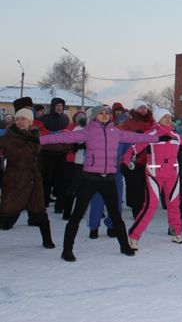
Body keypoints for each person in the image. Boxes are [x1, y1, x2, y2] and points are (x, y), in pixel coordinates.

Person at [40, 105, 159, 262]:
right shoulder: (88, 131)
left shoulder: (115, 132)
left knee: (116, 215)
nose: (104, 115)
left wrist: (157, 138)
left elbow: (136, 137)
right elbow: (63, 137)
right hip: (90, 179)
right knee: (76, 215)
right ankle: (67, 250)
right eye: (101, 113)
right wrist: (39, 139)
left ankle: (125, 246)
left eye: (107, 113)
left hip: (108, 179)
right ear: (95, 116)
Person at [125, 107, 182, 249]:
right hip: (154, 175)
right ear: (157, 119)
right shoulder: (151, 134)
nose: (168, 119)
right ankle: (133, 236)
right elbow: (134, 149)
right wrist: (126, 162)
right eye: (164, 116)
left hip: (172, 175)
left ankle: (176, 232)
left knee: (174, 205)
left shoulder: (176, 136)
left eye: (169, 116)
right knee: (150, 206)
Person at [0, 108, 55, 249]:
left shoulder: (37, 137)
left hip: (34, 182)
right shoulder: (7, 138)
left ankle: (47, 241)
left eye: (24, 119)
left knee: (40, 213)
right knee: (6, 216)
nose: (20, 121)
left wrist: (73, 145)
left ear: (30, 121)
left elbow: (56, 143)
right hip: (15, 182)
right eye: (18, 119)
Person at [120, 100, 154, 218]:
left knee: (146, 186)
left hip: (149, 159)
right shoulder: (129, 122)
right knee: (135, 185)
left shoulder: (152, 121)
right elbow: (123, 137)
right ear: (135, 110)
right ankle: (136, 208)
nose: (143, 110)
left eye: (144, 108)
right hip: (134, 159)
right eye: (140, 108)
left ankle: (143, 206)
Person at [39, 97, 70, 212]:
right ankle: (44, 201)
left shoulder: (65, 118)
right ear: (53, 107)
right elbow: (41, 133)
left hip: (62, 152)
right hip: (48, 152)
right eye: (57, 106)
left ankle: (59, 201)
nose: (59, 108)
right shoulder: (45, 118)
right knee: (47, 177)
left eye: (61, 106)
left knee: (60, 178)